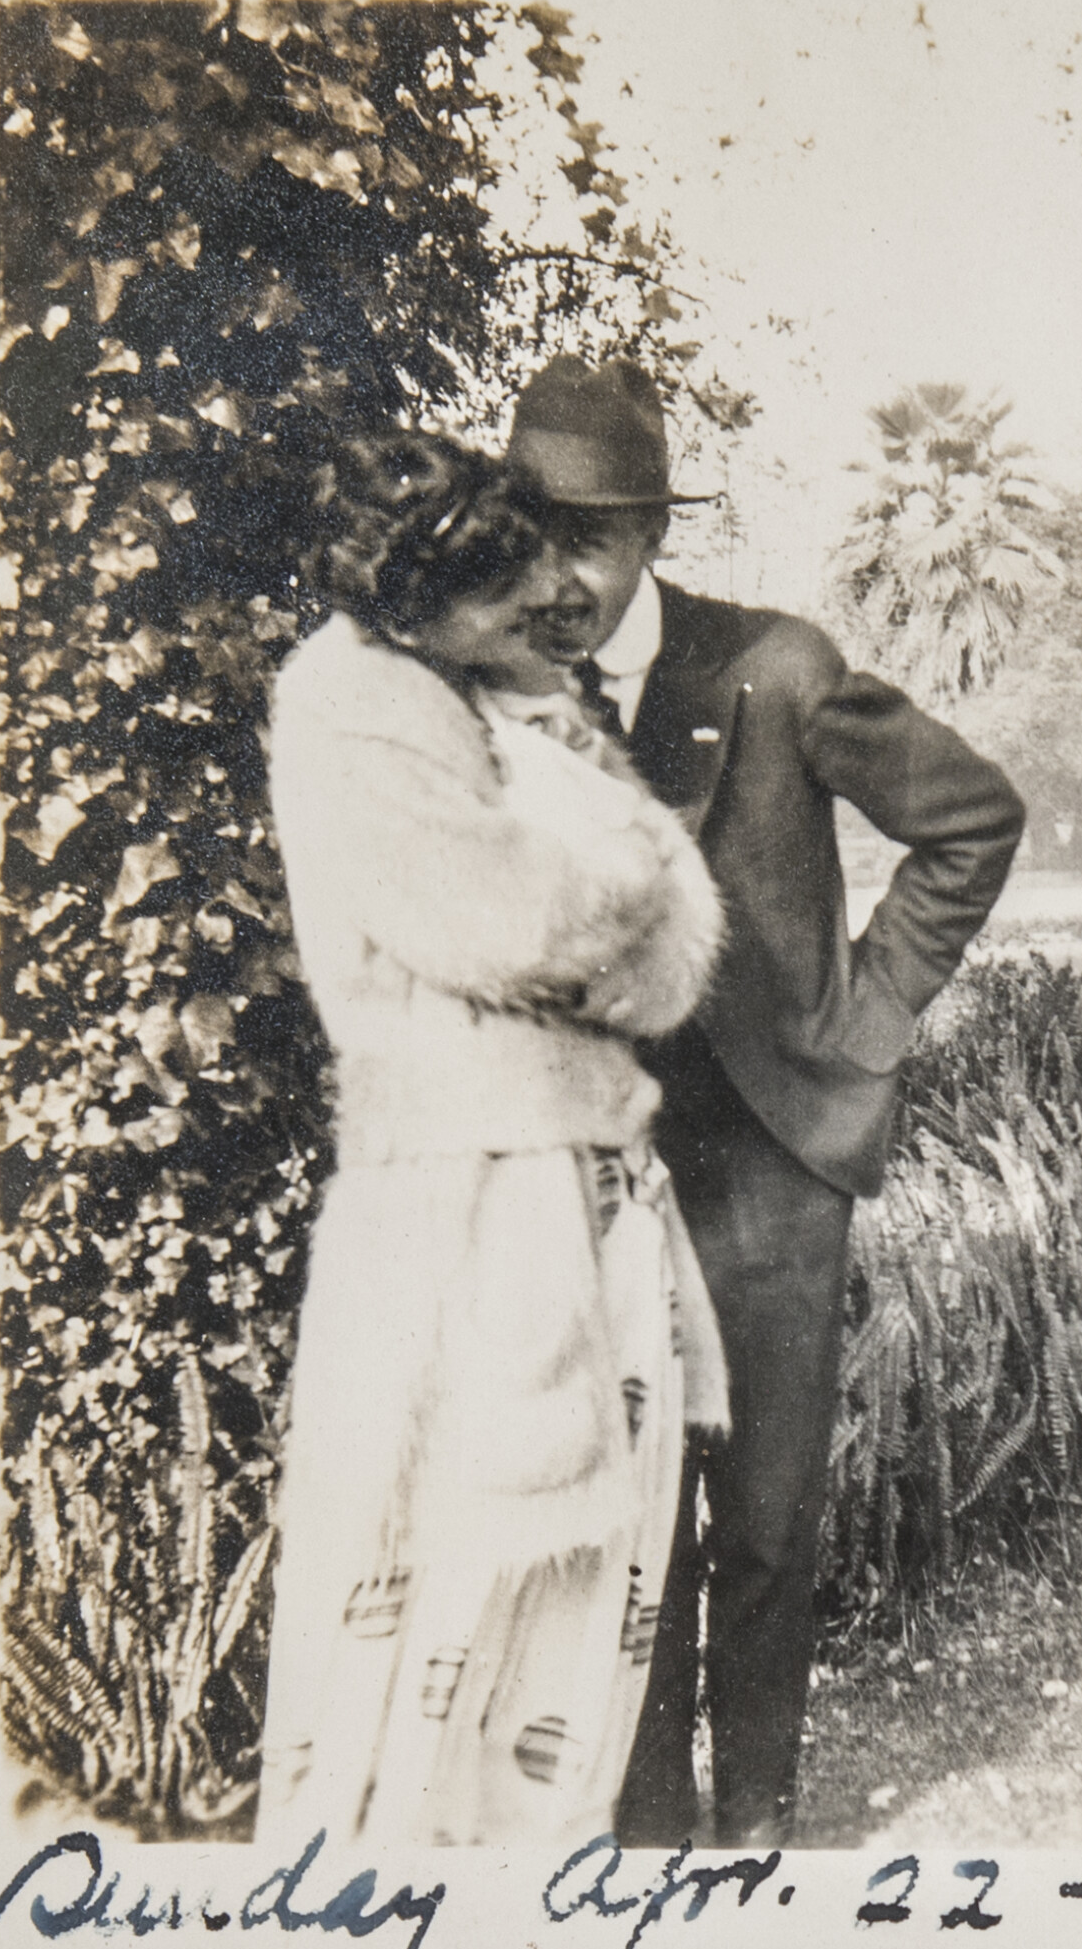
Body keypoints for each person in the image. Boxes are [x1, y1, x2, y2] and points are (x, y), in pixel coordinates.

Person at [508, 356, 1026, 1848]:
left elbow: (973, 820)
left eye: (594, 537)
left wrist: (862, 1024)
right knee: (627, 1518)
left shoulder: (779, 671)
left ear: (656, 535)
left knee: (771, 1523)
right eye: (535, 533)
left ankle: (758, 1836)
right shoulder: (509, 692)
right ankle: (649, 1838)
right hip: (600, 1173)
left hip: (774, 1168)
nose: (565, 572)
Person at [257, 431, 728, 1850]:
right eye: (506, 607)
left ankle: (539, 1896)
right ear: (418, 601)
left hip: (588, 1174)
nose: (543, 628)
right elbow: (510, 917)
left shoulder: (504, 697)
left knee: (587, 1607)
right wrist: (622, 879)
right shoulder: (351, 701)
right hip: (460, 1196)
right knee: (431, 1579)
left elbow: (667, 963)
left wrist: (616, 897)